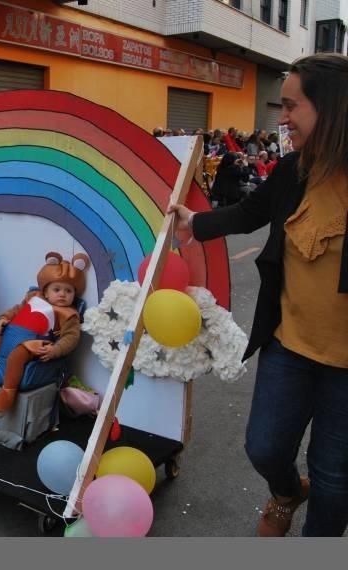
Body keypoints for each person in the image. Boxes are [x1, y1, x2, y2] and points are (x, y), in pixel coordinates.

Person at [168, 54, 348, 537]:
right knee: (264, 447)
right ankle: (288, 492)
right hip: (290, 345)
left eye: (291, 106)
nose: (282, 118)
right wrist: (196, 223)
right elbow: (251, 212)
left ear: (332, 109)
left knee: (335, 482)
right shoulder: (295, 169)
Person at [0, 252, 88, 416]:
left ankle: (8, 393)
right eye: (57, 289)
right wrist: (3, 319)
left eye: (68, 291)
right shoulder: (33, 298)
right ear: (45, 291)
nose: (62, 294)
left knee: (17, 356)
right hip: (11, 335)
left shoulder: (69, 314)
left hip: (35, 342)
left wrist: (56, 349)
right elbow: (15, 311)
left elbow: (71, 338)